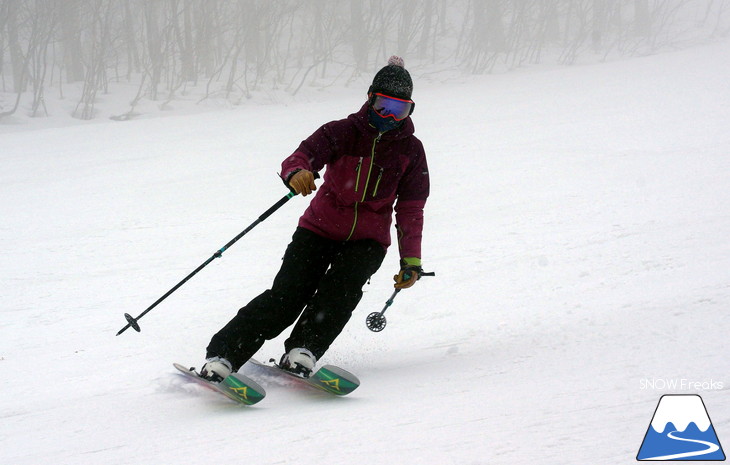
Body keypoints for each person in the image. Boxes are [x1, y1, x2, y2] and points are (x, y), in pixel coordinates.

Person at [200, 56, 430, 381]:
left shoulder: (411, 150)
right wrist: (297, 172)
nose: (390, 116)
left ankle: (303, 351)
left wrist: (411, 260)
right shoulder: (341, 132)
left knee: (339, 296)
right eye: (383, 106)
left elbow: (411, 208)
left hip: (367, 241)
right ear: (369, 99)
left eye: (400, 109)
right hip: (319, 230)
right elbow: (302, 155)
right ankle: (223, 356)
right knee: (288, 296)